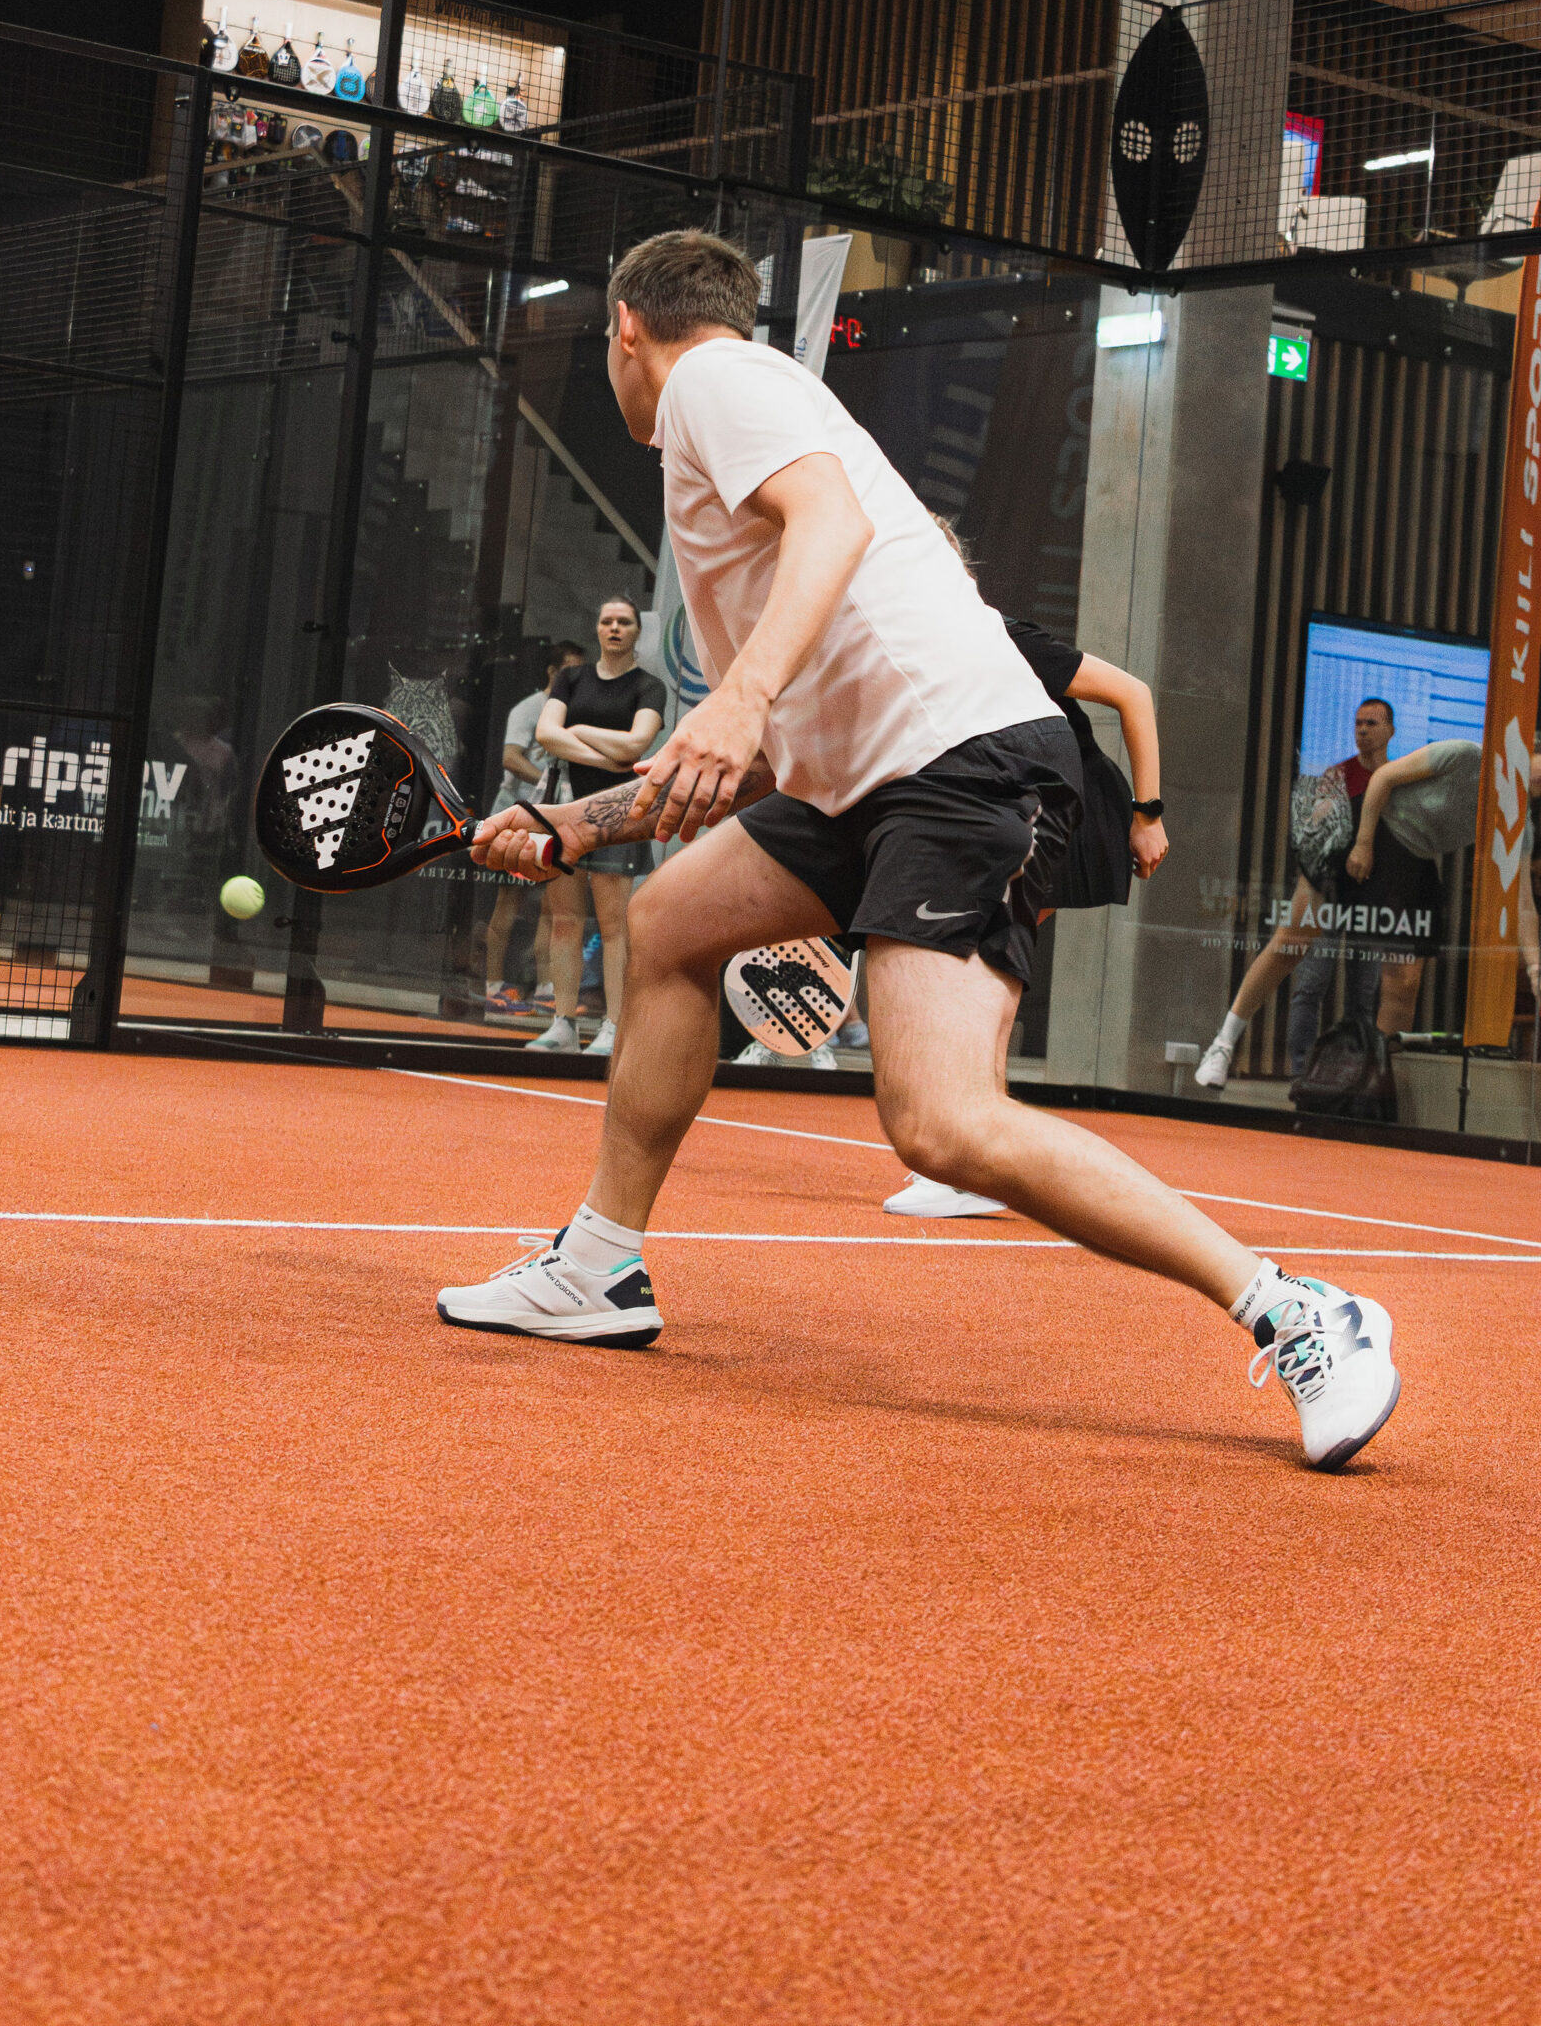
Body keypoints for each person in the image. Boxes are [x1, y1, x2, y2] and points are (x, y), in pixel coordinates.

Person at [441, 227, 1399, 1474]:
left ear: (628, 326)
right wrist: (578, 823)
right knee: (670, 924)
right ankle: (598, 1267)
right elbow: (772, 757)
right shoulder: (735, 449)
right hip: (866, 784)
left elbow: (829, 524)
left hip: (960, 767)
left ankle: (1297, 1308)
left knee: (942, 1125)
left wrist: (740, 697)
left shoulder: (713, 381)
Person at [886, 563, 1172, 1219]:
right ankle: (973, 1155)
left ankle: (972, 1161)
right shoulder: (925, 652)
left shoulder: (1004, 637)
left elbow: (1133, 693)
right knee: (982, 961)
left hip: (1070, 808)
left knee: (985, 962)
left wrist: (1148, 813)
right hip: (1016, 811)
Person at [1195, 698, 1396, 1091]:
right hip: (1328, 879)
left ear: (1390, 730)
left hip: (1373, 892)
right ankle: (1229, 1047)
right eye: (1358, 723)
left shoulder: (1399, 776)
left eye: (1372, 723)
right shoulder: (1338, 775)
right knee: (1297, 964)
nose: (1363, 730)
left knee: (1364, 994)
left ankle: (1357, 1079)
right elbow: (1313, 833)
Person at [523, 597, 665, 1058]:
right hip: (565, 809)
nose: (615, 628)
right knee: (564, 920)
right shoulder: (571, 678)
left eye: (624, 622)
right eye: (607, 621)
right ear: (598, 628)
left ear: (637, 631)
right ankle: (563, 1023)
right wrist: (609, 757)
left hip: (618, 814)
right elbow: (546, 734)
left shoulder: (648, 686)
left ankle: (613, 1026)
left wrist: (578, 731)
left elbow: (638, 744)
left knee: (614, 926)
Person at [1342, 734, 1541, 1024]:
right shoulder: (1466, 755)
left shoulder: (1519, 823)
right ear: (1529, 752)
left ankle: (1385, 1049)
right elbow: (1382, 777)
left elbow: (1522, 903)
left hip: (1416, 858)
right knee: (1393, 976)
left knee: (1408, 982)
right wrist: (1363, 843)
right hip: (1376, 830)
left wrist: (1535, 968)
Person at [484, 641, 585, 1015]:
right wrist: (549, 784)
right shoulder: (529, 709)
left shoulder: (576, 714)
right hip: (515, 817)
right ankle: (493, 985)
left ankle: (546, 988)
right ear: (551, 671)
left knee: (551, 906)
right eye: (569, 670)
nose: (575, 678)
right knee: (508, 901)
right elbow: (511, 758)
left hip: (552, 821)